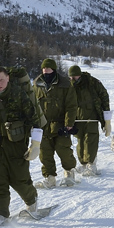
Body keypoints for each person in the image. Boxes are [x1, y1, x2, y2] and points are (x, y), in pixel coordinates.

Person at [0, 66, 43, 226]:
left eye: (1, 80)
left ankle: (32, 201)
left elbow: (34, 120)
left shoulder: (19, 95)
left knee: (19, 179)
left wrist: (35, 144)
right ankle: (1, 213)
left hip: (16, 144)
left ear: (8, 79)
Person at [33, 58, 79, 187]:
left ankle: (69, 173)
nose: (46, 72)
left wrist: (69, 123)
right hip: (43, 125)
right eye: (44, 69)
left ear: (54, 70)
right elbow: (32, 105)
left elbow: (71, 105)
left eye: (48, 69)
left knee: (63, 150)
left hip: (61, 124)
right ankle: (50, 177)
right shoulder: (37, 84)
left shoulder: (65, 84)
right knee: (45, 152)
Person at [67, 64, 111, 177]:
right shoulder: (69, 86)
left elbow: (104, 96)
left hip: (91, 116)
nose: (73, 79)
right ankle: (83, 163)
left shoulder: (92, 82)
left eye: (75, 77)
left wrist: (107, 119)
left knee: (90, 139)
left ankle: (91, 164)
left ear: (79, 75)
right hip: (77, 118)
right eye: (70, 77)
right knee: (80, 140)